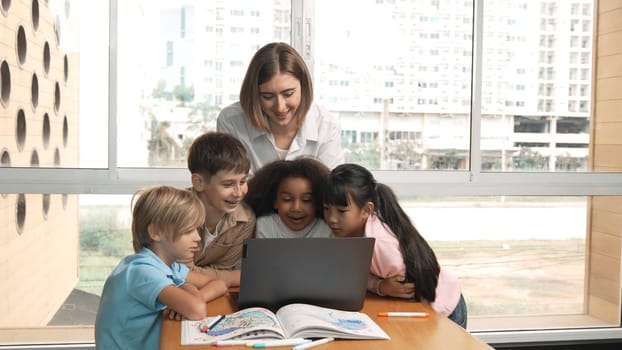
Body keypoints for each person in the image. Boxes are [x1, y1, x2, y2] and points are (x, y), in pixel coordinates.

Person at [323, 164, 468, 328]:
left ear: (366, 210)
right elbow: (354, 275)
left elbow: (408, 290)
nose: (331, 219)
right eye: (326, 209)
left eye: (341, 211)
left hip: (445, 308)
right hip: (423, 308)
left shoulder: (381, 246)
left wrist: (381, 287)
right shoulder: (347, 230)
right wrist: (380, 286)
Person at [95, 185, 228, 350]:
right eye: (188, 231)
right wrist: (187, 289)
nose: (197, 238)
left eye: (196, 229)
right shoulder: (142, 271)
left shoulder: (170, 266)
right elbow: (197, 310)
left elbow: (219, 284)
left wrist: (192, 297)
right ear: (156, 232)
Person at [217, 42, 344, 175]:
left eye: (288, 94)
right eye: (267, 96)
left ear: (304, 87)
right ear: (254, 94)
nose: (280, 107)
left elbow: (332, 191)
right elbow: (231, 188)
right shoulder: (231, 122)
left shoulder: (327, 126)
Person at [182, 131, 256, 288]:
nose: (238, 192)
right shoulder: (176, 212)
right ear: (199, 182)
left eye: (242, 181)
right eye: (228, 184)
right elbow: (175, 271)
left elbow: (222, 269)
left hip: (210, 292)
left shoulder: (245, 220)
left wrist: (192, 275)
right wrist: (234, 278)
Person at [245, 157, 333, 238]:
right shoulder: (265, 226)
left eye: (306, 200)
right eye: (287, 199)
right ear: (275, 202)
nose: (296, 208)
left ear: (317, 202)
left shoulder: (326, 228)